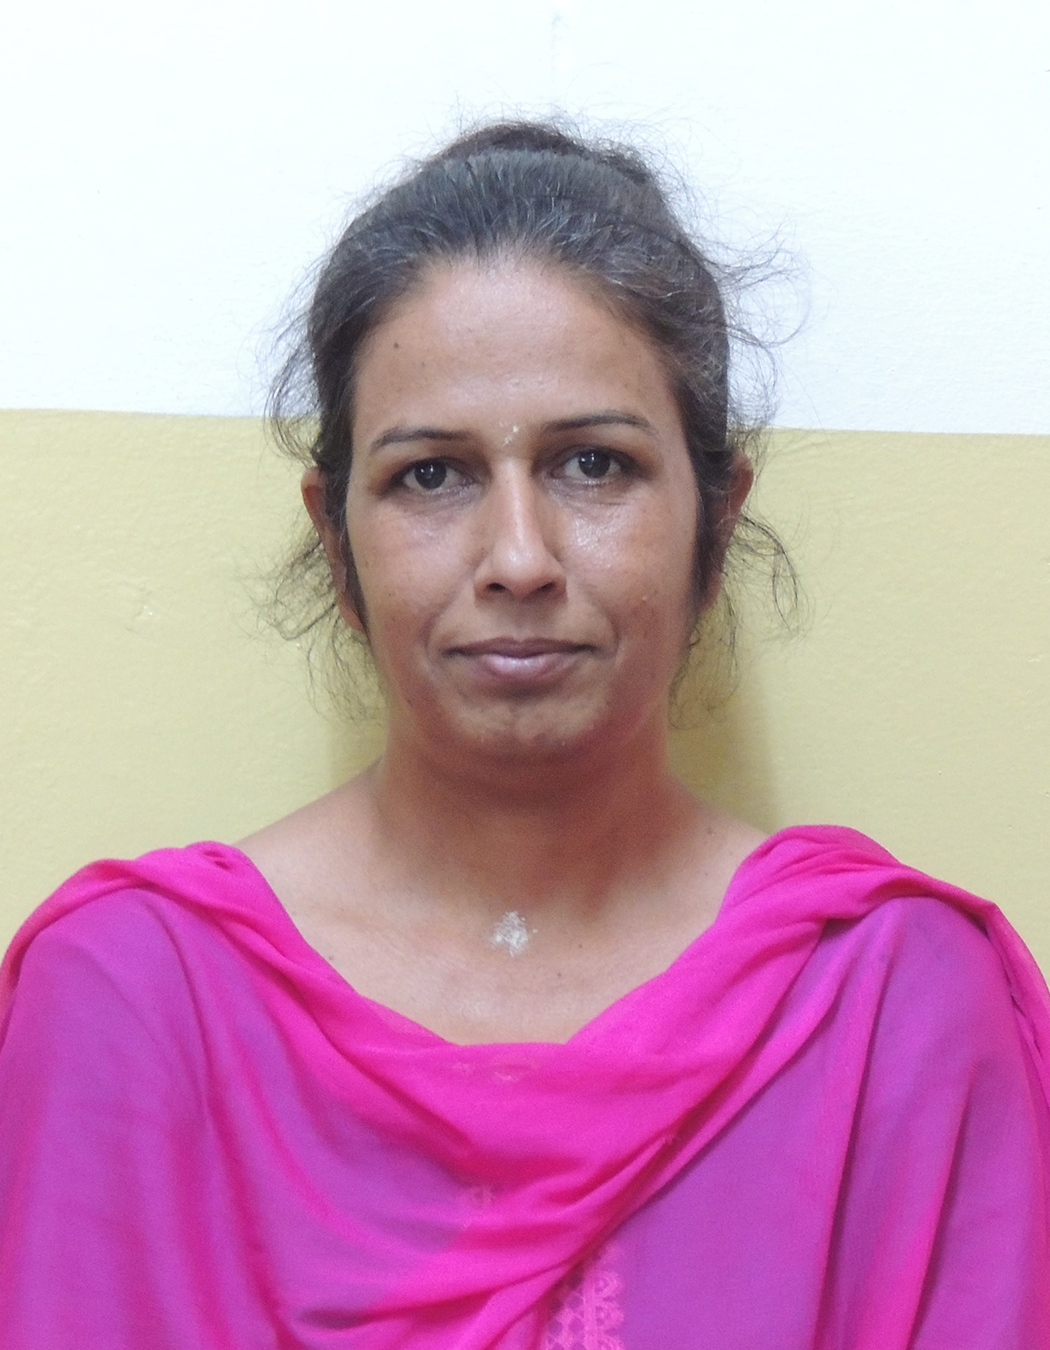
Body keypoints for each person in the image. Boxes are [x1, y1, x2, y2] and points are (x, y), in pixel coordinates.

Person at [1, 121, 1048, 1350]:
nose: (518, 558)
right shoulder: (134, 1002)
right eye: (430, 475)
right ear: (335, 541)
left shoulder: (889, 1006)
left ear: (716, 521)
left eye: (593, 465)